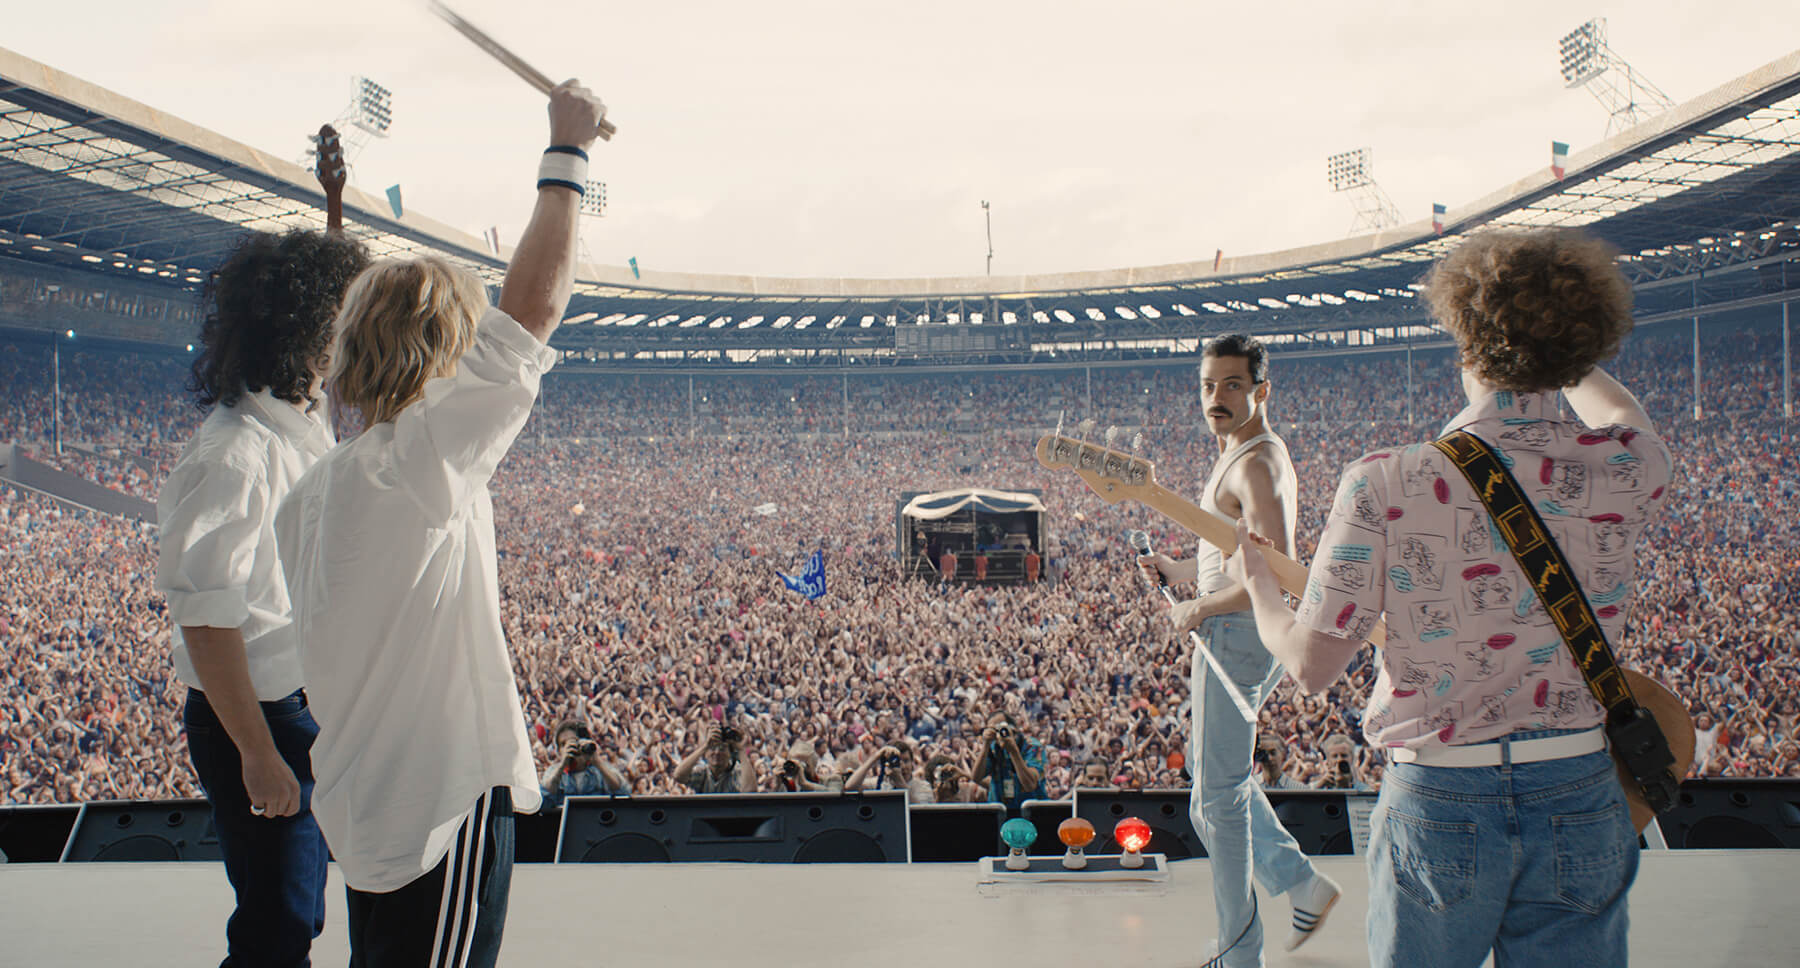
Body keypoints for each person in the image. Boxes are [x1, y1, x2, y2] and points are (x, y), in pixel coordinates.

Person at [1225, 228, 1672, 968]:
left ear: (1465, 344)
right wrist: (1564, 354)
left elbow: (1309, 665)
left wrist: (1262, 590)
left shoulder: (1386, 479)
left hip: (1441, 795)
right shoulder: (1625, 465)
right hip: (1579, 785)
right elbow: (1624, 414)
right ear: (1577, 348)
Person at [274, 82, 609, 966]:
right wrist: (566, 153)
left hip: (366, 802)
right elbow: (530, 318)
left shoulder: (316, 492)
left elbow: (369, 369)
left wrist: (342, 227)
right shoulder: (415, 473)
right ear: (441, 359)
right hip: (438, 812)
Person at [154, 137, 367, 968]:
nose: (345, 350)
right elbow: (207, 625)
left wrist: (334, 211)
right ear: (298, 339)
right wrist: (258, 757)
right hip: (255, 715)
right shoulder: (231, 458)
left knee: (303, 909)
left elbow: (332, 299)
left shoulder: (295, 411)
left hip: (300, 704)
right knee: (278, 922)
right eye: (332, 333)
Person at [1139, 333, 1340, 964]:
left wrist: (1198, 606)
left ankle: (1238, 948)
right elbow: (1235, 550)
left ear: (1261, 389)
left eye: (1231, 384)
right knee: (1215, 777)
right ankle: (1301, 883)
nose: (1216, 398)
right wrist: (1181, 570)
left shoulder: (1255, 462)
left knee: (1214, 801)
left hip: (1237, 636)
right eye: (1207, 386)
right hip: (1237, 633)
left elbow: (1275, 571)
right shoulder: (1239, 451)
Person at [539, 720, 629, 808]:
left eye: (574, 741)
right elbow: (543, 803)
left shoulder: (600, 770)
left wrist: (597, 762)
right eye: (563, 744)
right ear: (558, 751)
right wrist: (562, 765)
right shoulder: (553, 772)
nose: (569, 747)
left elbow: (624, 795)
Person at [971, 712, 1044, 815]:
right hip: (999, 810)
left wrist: (1013, 751)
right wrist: (986, 744)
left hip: (1028, 811)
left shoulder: (1031, 746)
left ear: (1014, 728)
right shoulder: (993, 747)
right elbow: (976, 777)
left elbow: (1030, 784)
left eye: (1002, 727)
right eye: (994, 729)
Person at [675, 724, 756, 794]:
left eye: (722, 748)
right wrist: (705, 745)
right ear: (705, 754)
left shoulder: (737, 771)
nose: (717, 752)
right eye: (712, 748)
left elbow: (750, 791)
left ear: (730, 754)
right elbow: (678, 776)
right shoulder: (702, 772)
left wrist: (740, 750)